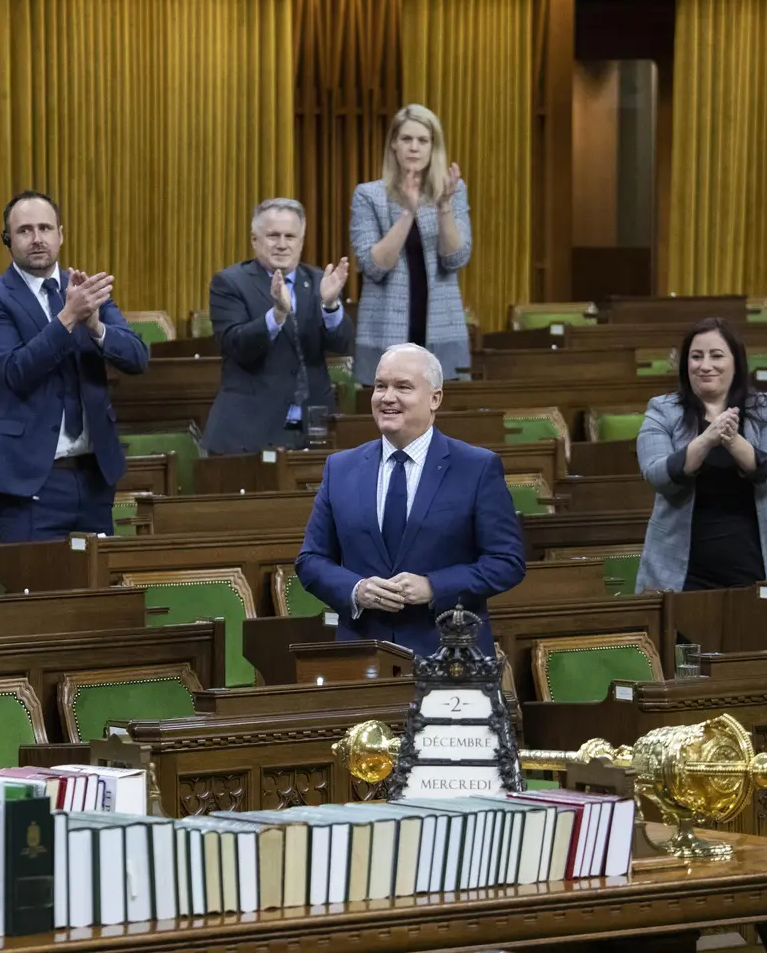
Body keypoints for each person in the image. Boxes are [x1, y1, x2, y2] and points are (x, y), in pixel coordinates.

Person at [295, 343, 525, 656]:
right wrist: (356, 590)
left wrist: (434, 587)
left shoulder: (477, 467)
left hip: (450, 654)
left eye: (403, 387)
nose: (387, 397)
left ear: (435, 398)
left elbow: (507, 562)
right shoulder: (341, 468)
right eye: (380, 386)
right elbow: (311, 560)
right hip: (363, 654)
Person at [0, 190, 149, 541]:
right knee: (35, 578)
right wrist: (68, 318)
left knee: (95, 577)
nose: (37, 239)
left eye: (45, 228)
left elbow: (137, 358)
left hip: (93, 478)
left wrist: (95, 326)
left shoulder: (85, 291)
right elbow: (15, 372)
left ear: (60, 235)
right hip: (30, 482)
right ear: (8, 240)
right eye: (24, 231)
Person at [635, 319, 767, 593]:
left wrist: (733, 441)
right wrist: (706, 440)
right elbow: (657, 474)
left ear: (736, 362)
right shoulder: (662, 411)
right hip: (680, 574)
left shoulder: (763, 410)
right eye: (696, 356)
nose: (705, 365)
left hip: (755, 565)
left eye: (716, 356)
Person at [202, 198, 355, 454]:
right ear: (255, 240)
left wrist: (330, 306)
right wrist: (277, 315)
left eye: (290, 236)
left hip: (312, 428)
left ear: (301, 242)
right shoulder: (230, 283)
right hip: (251, 432)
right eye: (273, 236)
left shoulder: (319, 281)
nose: (282, 244)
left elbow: (342, 344)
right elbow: (236, 344)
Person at [349, 104, 472, 387]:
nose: (414, 147)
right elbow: (373, 267)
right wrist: (407, 212)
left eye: (423, 140)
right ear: (394, 143)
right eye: (406, 139)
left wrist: (444, 207)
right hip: (384, 336)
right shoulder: (368, 195)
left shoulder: (453, 191)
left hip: (442, 335)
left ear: (433, 147)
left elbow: (456, 259)